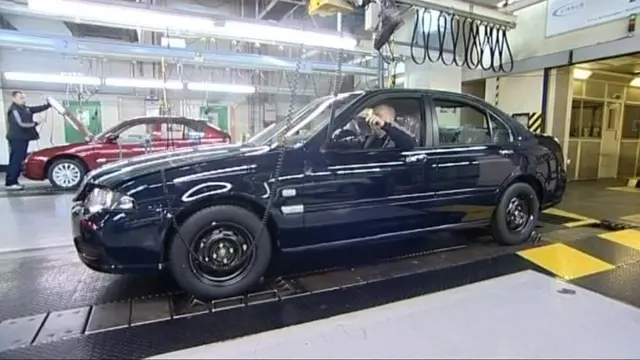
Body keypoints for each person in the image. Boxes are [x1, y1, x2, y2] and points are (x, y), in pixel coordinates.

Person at [5, 91, 51, 190]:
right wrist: (36, 123)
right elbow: (21, 124)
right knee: (15, 161)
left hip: (23, 138)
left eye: (24, 98)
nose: (24, 99)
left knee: (18, 160)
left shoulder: (24, 108)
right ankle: (10, 182)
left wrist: (48, 105)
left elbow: (35, 109)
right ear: (14, 98)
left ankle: (14, 181)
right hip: (17, 139)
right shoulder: (14, 110)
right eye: (21, 98)